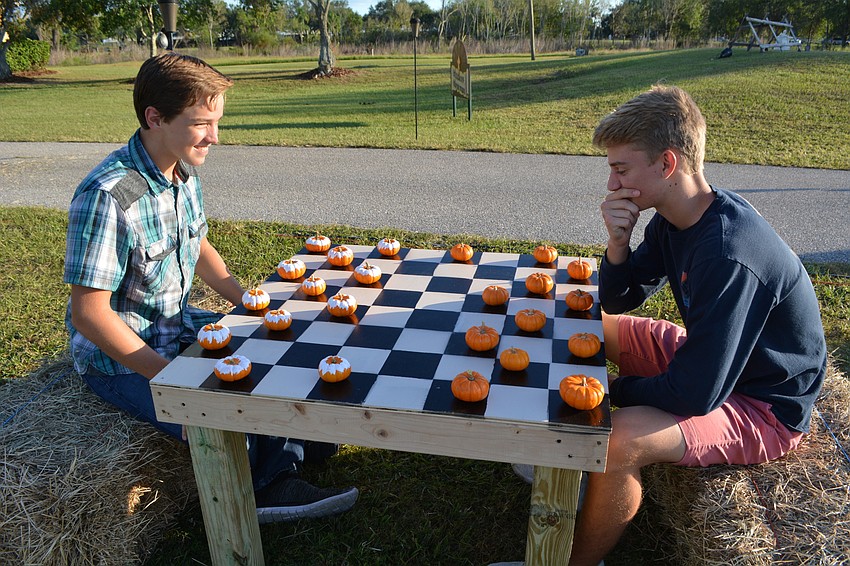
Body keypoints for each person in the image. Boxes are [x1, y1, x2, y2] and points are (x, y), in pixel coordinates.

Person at [496, 85, 826, 566]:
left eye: (621, 169)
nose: (612, 185)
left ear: (667, 164)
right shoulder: (676, 216)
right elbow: (618, 297)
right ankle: (565, 460)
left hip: (763, 404)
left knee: (621, 438)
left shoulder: (729, 253)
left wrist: (612, 390)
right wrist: (617, 244)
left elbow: (695, 393)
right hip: (711, 361)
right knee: (587, 323)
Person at [63, 52, 357, 523]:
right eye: (202, 123)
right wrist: (171, 378)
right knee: (222, 413)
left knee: (273, 349)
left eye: (216, 120)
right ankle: (266, 489)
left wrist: (245, 301)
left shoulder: (181, 171)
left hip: (176, 328)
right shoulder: (107, 196)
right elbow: (89, 313)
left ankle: (296, 445)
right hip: (120, 362)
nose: (215, 136)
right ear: (154, 118)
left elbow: (198, 245)